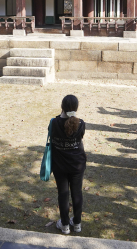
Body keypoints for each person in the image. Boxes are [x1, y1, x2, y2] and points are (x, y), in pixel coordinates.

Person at [51, 95, 87, 235]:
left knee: (63, 194)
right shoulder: (81, 124)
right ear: (76, 108)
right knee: (77, 193)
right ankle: (77, 223)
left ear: (62, 106)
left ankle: (65, 224)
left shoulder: (54, 123)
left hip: (60, 165)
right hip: (77, 164)